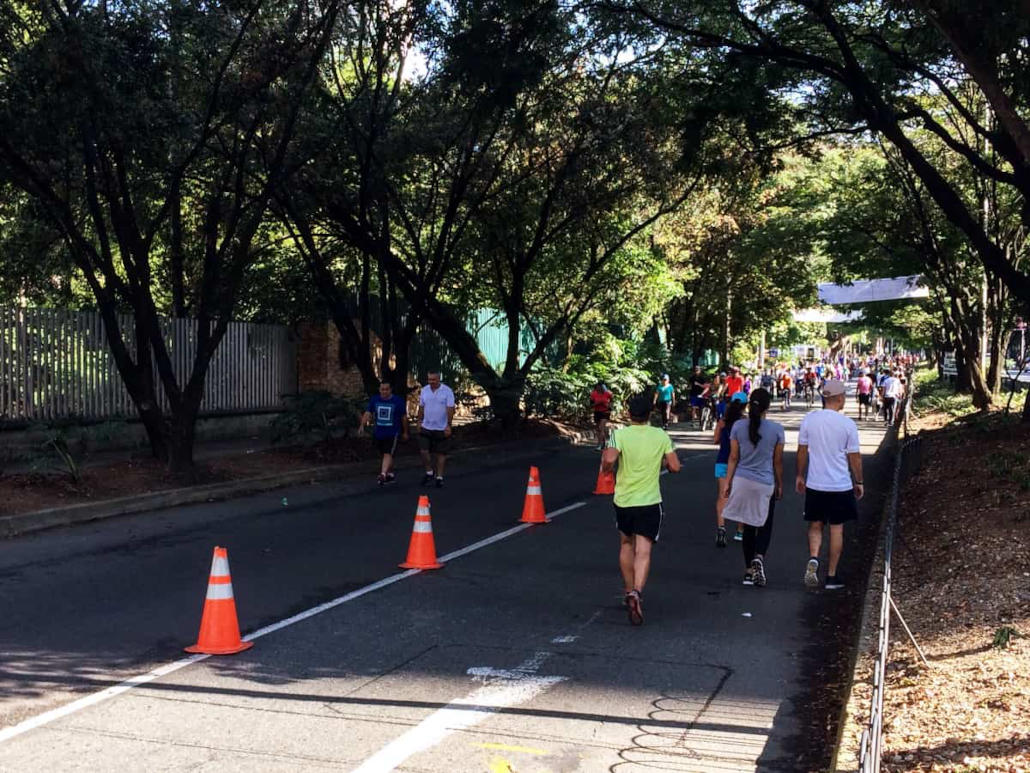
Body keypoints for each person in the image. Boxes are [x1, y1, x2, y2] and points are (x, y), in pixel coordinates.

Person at [602, 393, 681, 625]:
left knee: (626, 544)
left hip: (624, 501)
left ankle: (628, 591)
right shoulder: (660, 435)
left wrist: (607, 467)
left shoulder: (619, 435)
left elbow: (609, 460)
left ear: (629, 413)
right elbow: (675, 466)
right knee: (643, 551)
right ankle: (637, 591)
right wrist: (664, 461)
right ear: (651, 413)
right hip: (649, 502)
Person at [796, 380, 864, 590]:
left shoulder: (810, 420)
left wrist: (800, 475)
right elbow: (855, 457)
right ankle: (832, 576)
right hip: (840, 485)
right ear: (840, 398)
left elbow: (802, 450)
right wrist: (859, 480)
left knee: (815, 525)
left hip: (816, 483)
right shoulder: (847, 424)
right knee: (837, 529)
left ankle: (814, 557)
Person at [723, 388, 784, 586]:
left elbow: (733, 457)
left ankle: (749, 571)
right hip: (765, 482)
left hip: (742, 480)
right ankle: (759, 556)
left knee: (748, 525)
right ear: (768, 406)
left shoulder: (738, 427)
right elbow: (777, 462)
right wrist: (780, 484)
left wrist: (728, 482)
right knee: (765, 524)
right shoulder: (776, 430)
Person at [712, 392, 748, 547]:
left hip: (722, 462)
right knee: (740, 497)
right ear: (745, 406)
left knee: (722, 497)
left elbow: (715, 440)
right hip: (741, 464)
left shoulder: (722, 422)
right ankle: (740, 530)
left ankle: (721, 528)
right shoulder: (745, 423)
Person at [358, 380, 409, 486]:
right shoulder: (374, 400)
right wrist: (362, 425)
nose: (384, 392)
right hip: (379, 432)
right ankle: (389, 474)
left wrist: (405, 432)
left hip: (393, 432)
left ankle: (382, 474)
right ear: (379, 390)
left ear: (390, 390)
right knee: (384, 454)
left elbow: (403, 417)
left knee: (388, 453)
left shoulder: (398, 401)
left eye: (386, 389)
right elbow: (368, 413)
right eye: (382, 389)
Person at [416, 371, 456, 488]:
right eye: (429, 379)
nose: (431, 382)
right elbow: (421, 407)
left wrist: (448, 424)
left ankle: (439, 477)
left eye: (433, 380)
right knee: (423, 450)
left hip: (441, 427)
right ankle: (429, 472)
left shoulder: (447, 391)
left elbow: (450, 409)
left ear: (439, 379)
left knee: (441, 453)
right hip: (426, 426)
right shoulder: (424, 390)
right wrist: (419, 421)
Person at [589, 381, 614, 450]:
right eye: (598, 387)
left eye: (601, 387)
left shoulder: (608, 393)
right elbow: (591, 405)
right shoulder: (593, 394)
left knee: (601, 427)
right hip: (597, 412)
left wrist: (608, 406)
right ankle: (604, 442)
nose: (599, 388)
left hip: (605, 412)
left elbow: (612, 403)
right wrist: (597, 403)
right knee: (598, 429)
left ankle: (600, 445)